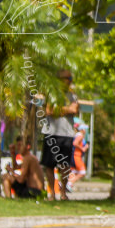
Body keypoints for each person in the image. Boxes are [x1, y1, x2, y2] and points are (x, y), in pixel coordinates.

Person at [39, 69, 79, 201]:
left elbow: (74, 109)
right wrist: (65, 110)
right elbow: (49, 110)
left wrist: (59, 110)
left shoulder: (73, 96)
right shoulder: (51, 94)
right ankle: (52, 193)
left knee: (64, 165)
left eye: (70, 79)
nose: (69, 81)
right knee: (49, 164)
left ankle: (63, 193)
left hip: (66, 134)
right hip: (51, 132)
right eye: (67, 78)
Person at [68, 122, 88, 191]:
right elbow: (75, 143)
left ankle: (65, 184)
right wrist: (83, 148)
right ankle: (69, 184)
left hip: (74, 155)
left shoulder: (77, 135)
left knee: (73, 172)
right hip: (77, 155)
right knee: (82, 172)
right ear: (82, 129)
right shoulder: (80, 136)